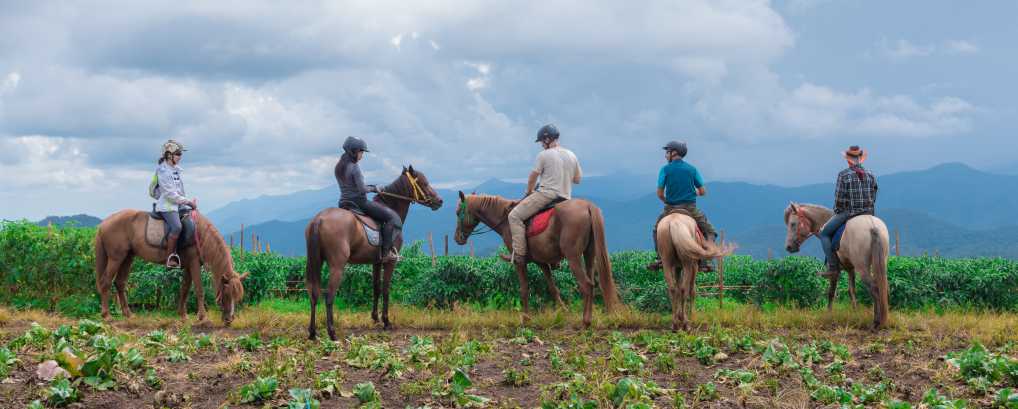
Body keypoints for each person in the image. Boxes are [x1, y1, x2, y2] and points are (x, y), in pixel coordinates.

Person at [507, 124, 582, 264]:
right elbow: (577, 179)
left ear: (547, 139)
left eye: (542, 141)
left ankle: (519, 255)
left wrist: (529, 191)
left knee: (514, 216)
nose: (541, 144)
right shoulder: (572, 155)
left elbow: (533, 177)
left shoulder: (544, 155)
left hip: (547, 195)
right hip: (565, 197)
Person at [647, 141, 717, 272]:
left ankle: (660, 258)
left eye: (667, 152)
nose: (666, 155)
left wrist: (668, 200)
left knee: (656, 229)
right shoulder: (692, 169)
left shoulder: (665, 169)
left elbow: (659, 193)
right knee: (710, 231)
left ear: (674, 152)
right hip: (690, 208)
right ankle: (705, 262)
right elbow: (703, 192)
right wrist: (691, 192)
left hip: (670, 208)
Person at [335, 136, 402, 264]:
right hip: (359, 202)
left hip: (343, 203)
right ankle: (386, 253)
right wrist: (375, 188)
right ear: (353, 151)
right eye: (361, 152)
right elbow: (361, 189)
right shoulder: (354, 167)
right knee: (390, 218)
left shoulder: (339, 167)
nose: (362, 155)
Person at [818, 145, 878, 277]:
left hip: (849, 213)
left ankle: (833, 268)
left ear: (848, 160)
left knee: (824, 234)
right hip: (869, 214)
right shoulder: (871, 174)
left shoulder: (844, 175)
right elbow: (874, 196)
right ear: (860, 159)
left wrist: (837, 210)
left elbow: (839, 199)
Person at [153, 140, 197, 268]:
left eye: (180, 154)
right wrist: (187, 201)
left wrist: (187, 202)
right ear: (168, 155)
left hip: (178, 204)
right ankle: (170, 258)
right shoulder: (162, 171)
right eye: (177, 154)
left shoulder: (176, 170)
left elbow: (180, 190)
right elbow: (170, 194)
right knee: (177, 227)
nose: (180, 156)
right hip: (167, 206)